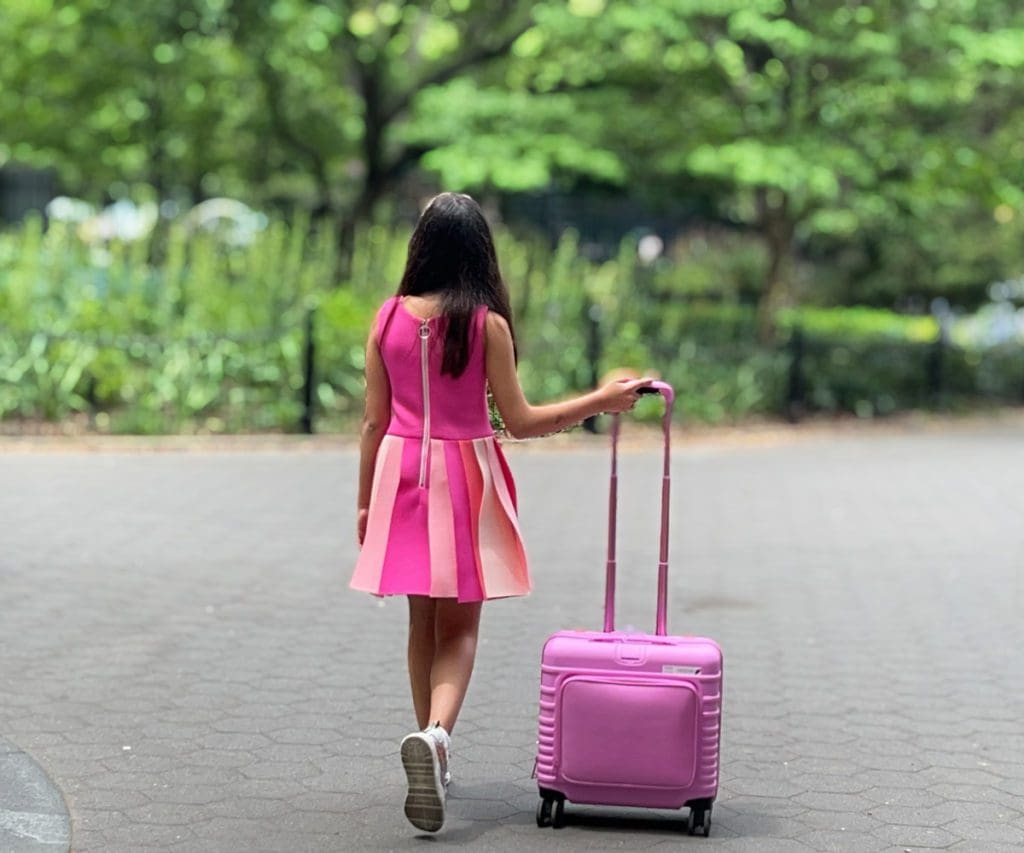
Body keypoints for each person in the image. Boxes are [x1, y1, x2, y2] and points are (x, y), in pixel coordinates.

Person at [349, 192, 651, 833]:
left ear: (421, 247)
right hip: (464, 475)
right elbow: (520, 421)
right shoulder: (485, 324)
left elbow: (374, 420)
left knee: (421, 621)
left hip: (400, 472)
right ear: (480, 250)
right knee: (460, 627)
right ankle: (435, 738)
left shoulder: (385, 319)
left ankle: (430, 747)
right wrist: (601, 399)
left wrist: (364, 501)